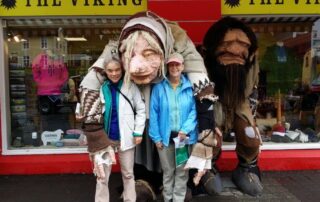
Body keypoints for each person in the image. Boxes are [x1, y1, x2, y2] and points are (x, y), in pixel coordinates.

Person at [202, 16, 263, 196]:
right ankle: (208, 167)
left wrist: (251, 112)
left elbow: (254, 87)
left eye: (242, 45)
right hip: (214, 99)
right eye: (227, 44)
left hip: (241, 100)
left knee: (250, 135)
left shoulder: (252, 62)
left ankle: (247, 168)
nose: (235, 50)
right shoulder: (205, 62)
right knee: (210, 136)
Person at [95, 58, 146, 202]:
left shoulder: (130, 86)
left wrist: (138, 132)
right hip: (106, 139)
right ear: (105, 71)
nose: (114, 73)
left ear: (122, 70)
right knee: (102, 176)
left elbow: (141, 109)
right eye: (110, 70)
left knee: (128, 174)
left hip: (126, 137)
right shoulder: (102, 88)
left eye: (117, 70)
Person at [149, 52, 197, 202]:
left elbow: (194, 111)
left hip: (182, 138)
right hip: (164, 138)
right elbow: (153, 113)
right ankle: (167, 198)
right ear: (167, 67)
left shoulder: (190, 87)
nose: (174, 67)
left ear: (182, 66)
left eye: (177, 64)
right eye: (171, 64)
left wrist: (185, 130)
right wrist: (156, 137)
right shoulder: (159, 88)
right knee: (168, 172)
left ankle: (178, 200)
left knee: (182, 173)